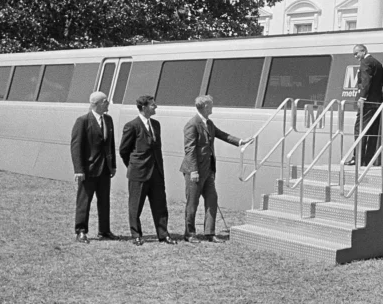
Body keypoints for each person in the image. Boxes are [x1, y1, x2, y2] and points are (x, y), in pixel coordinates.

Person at [179, 95, 250, 243]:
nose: (213, 107)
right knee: (192, 202)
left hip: (208, 170)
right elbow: (190, 150)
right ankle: (189, 233)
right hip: (195, 171)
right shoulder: (192, 124)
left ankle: (209, 233)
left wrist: (241, 141)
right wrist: (193, 171)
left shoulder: (209, 123)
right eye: (211, 105)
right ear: (205, 107)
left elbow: (222, 135)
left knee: (212, 199)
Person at [119, 95, 175, 246]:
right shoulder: (132, 126)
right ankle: (136, 235)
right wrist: (133, 166)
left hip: (156, 173)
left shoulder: (156, 125)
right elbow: (124, 150)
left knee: (160, 205)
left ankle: (163, 234)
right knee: (135, 205)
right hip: (139, 173)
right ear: (144, 108)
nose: (155, 107)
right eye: (152, 105)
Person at [70, 91, 117, 243]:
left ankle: (104, 230)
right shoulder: (83, 121)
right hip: (88, 170)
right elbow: (76, 146)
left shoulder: (108, 120)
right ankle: (81, 231)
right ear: (96, 104)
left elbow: (110, 144)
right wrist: (78, 169)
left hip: (104, 170)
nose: (108, 104)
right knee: (84, 201)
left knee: (104, 201)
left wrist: (113, 165)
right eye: (105, 101)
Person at [349, 44, 383, 166]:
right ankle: (368, 160)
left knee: (360, 130)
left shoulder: (365, 62)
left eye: (356, 53)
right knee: (372, 131)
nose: (356, 56)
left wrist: (362, 97)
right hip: (377, 103)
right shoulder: (377, 63)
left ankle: (357, 159)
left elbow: (366, 80)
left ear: (364, 51)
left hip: (367, 103)